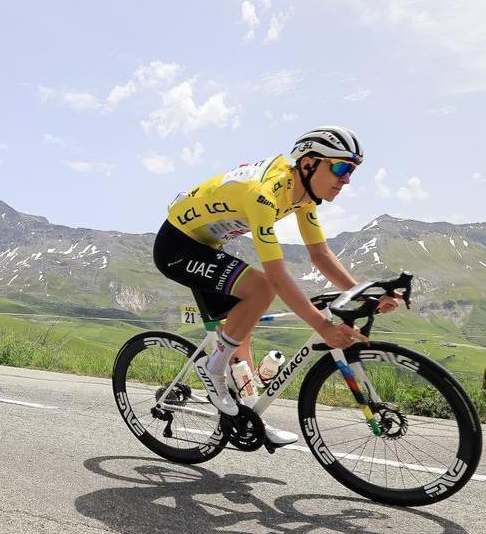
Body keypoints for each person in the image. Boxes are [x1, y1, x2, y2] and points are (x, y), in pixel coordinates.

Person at [153, 126, 399, 448]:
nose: (346, 179)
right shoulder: (264, 193)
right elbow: (278, 277)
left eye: (351, 170)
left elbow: (320, 256)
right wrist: (323, 326)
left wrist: (365, 293)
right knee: (262, 289)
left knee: (241, 328)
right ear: (310, 163)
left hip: (207, 246)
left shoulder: (303, 197)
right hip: (177, 247)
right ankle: (213, 370)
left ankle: (250, 415)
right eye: (340, 168)